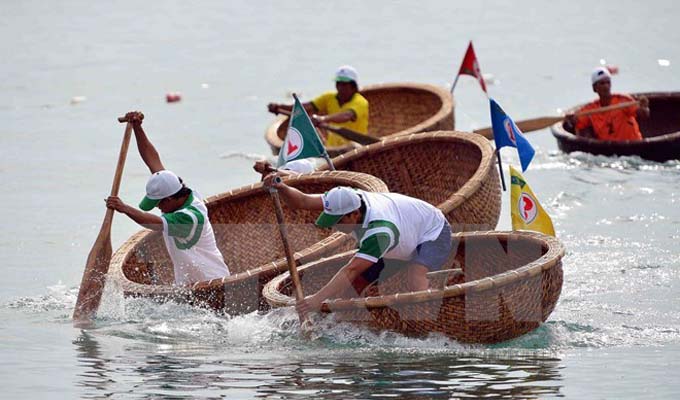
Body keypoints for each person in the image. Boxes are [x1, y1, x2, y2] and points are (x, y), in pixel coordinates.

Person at [263, 173, 452, 314]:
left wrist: (316, 300)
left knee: (416, 274)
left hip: (432, 231)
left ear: (354, 214)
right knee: (351, 289)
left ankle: (426, 320)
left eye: (338, 222)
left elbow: (350, 269)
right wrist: (282, 188)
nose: (335, 227)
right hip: (400, 239)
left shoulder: (380, 231)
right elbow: (303, 201)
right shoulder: (342, 199)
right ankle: (344, 322)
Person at [106, 111, 230, 286]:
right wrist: (137, 128)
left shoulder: (191, 217)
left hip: (213, 282)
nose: (158, 207)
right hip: (187, 285)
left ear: (171, 198)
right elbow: (152, 159)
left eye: (159, 203)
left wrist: (124, 208)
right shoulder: (179, 190)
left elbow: (154, 224)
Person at [267, 65, 369, 147]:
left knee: (353, 146)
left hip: (356, 146)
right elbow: (305, 107)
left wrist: (323, 119)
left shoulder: (360, 102)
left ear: (353, 86)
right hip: (333, 147)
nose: (340, 87)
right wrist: (279, 107)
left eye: (344, 84)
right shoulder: (329, 97)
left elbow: (346, 116)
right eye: (338, 83)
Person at [564, 67, 650, 141]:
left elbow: (643, 114)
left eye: (608, 82)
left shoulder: (623, 101)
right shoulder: (590, 109)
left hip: (633, 147)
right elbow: (576, 122)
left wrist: (644, 107)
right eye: (602, 83)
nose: (606, 86)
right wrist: (571, 120)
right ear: (594, 88)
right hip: (610, 154)